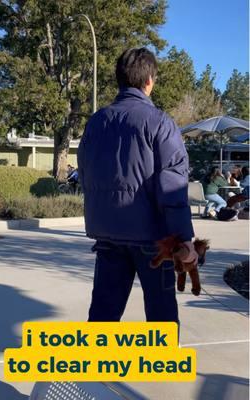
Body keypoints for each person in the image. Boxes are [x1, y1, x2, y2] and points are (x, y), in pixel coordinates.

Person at [77, 48, 198, 324]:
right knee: (161, 316)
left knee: (103, 315)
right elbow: (173, 187)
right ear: (149, 81)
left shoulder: (96, 123)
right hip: (153, 239)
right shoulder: (160, 123)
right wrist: (184, 239)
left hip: (107, 234)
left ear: (119, 80)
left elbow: (85, 173)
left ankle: (96, 366)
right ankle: (161, 366)